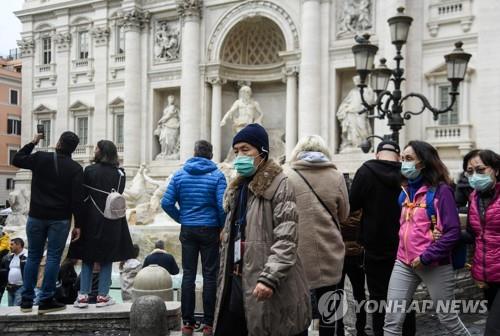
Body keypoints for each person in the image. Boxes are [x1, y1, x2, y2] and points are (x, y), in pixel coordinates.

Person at [214, 123, 311, 336]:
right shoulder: (237, 187)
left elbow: (287, 238)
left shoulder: (280, 184)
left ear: (262, 152)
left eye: (245, 149)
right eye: (236, 150)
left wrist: (269, 277)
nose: (239, 155)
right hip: (237, 279)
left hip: (268, 282)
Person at [383, 140, 471, 336]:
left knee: (448, 320)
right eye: (402, 158)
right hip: (403, 262)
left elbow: (452, 232)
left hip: (434, 264)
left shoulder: (442, 191)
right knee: (391, 320)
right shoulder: (405, 192)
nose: (403, 163)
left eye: (409, 159)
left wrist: (425, 257)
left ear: (423, 162)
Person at [12, 131, 84, 314]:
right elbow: (77, 199)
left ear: (58, 143)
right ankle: (45, 300)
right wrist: (78, 225)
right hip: (60, 219)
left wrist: (33, 142)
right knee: (53, 258)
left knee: (33, 257)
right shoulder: (75, 168)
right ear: (74, 149)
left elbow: (17, 159)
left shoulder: (41, 158)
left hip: (36, 216)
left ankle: (26, 301)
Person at [349, 140, 415, 336]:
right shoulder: (408, 172)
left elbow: (352, 205)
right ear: (398, 155)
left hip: (375, 245)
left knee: (378, 298)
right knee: (406, 299)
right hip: (405, 246)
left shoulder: (365, 171)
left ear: (377, 154)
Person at [162, 140, 227, 336]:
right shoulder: (218, 175)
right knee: (210, 276)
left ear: (194, 152)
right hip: (210, 230)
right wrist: (222, 226)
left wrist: (181, 217)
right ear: (211, 155)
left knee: (188, 275)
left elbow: (166, 203)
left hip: (188, 229)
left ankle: (187, 324)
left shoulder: (180, 174)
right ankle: (208, 324)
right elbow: (222, 206)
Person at [286, 135, 349, 336]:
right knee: (329, 314)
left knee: (298, 315)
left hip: (297, 254)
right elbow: (344, 214)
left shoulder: (287, 175)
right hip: (330, 252)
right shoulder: (336, 176)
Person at [69, 140, 135, 308]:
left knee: (87, 257)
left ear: (102, 152)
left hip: (90, 218)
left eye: (97, 148)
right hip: (111, 220)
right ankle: (103, 296)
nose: (95, 150)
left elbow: (82, 196)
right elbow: (118, 194)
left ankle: (83, 295)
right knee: (107, 258)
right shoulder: (120, 173)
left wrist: (78, 222)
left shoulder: (89, 170)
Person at [461, 150, 500, 310]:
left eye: (481, 170)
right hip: (487, 274)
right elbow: (473, 234)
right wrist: (447, 233)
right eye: (470, 171)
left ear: (496, 170)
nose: (475, 175)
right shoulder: (474, 198)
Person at [0, 238, 27, 306]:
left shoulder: (27, 256)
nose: (10, 246)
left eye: (12, 244)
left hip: (20, 287)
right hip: (10, 288)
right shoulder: (10, 257)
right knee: (10, 309)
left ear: (19, 245)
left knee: (16, 308)